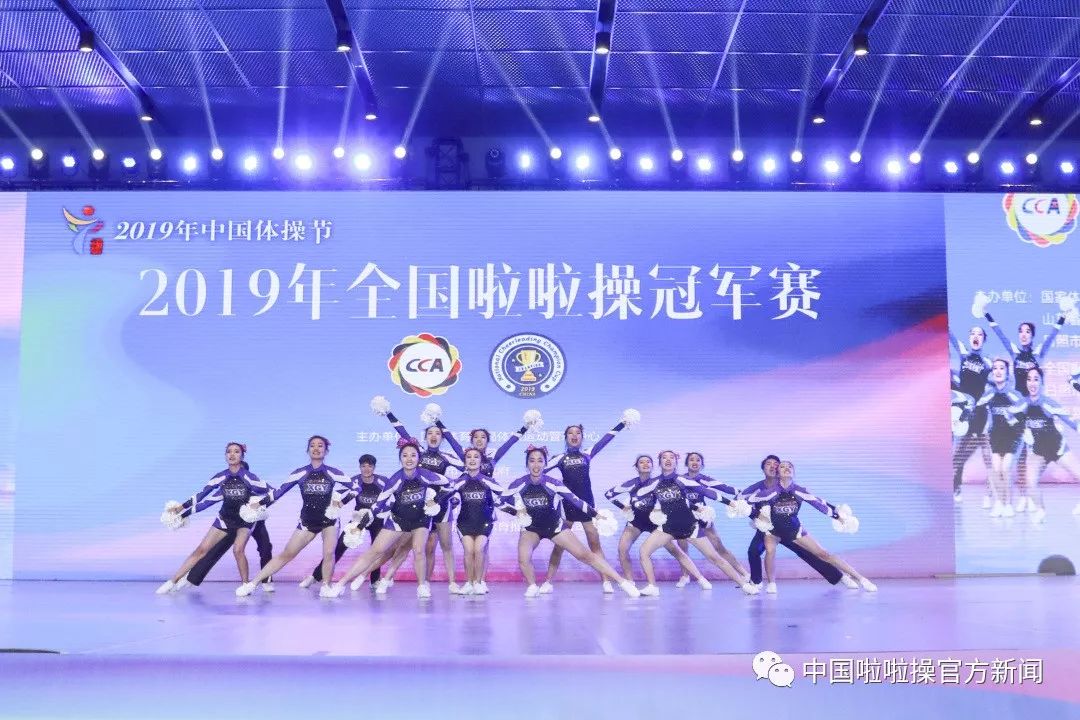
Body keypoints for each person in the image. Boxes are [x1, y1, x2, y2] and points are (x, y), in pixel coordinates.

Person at [324, 437, 455, 598]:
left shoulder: (426, 475)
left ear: (418, 458)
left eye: (413, 455)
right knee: (374, 551)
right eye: (405, 455)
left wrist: (435, 500)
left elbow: (450, 485)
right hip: (398, 520)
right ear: (400, 458)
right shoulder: (395, 479)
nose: (409, 459)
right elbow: (377, 505)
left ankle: (422, 586)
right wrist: (359, 526)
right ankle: (340, 584)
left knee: (419, 549)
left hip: (420, 520)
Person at [501, 446, 638, 598]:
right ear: (527, 464)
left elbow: (576, 500)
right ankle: (532, 586)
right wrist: (517, 512)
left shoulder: (553, 483)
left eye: (540, 461)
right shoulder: (518, 483)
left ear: (545, 464)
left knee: (585, 555)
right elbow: (499, 501)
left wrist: (595, 515)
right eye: (532, 461)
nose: (536, 464)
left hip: (555, 527)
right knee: (523, 557)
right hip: (531, 529)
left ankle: (622, 582)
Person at [234, 436, 355, 597]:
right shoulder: (300, 473)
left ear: (326, 451)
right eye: (312, 445)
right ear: (308, 450)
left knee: (328, 553)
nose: (316, 448)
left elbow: (356, 488)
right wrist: (260, 504)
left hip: (329, 520)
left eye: (320, 446)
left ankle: (326, 586)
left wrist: (341, 502)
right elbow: (278, 492)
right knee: (287, 554)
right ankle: (252, 584)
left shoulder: (333, 472)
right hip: (307, 521)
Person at [633, 451, 758, 596]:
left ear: (676, 462)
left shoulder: (682, 479)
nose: (668, 460)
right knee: (644, 551)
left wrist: (731, 503)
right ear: (660, 462)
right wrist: (637, 504)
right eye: (664, 457)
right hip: (668, 527)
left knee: (715, 558)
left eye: (671, 457)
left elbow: (706, 492)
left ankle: (744, 585)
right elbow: (638, 496)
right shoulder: (654, 482)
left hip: (689, 525)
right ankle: (652, 586)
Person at [540, 410, 637, 593]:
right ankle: (547, 582)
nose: (574, 435)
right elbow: (539, 472)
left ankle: (606, 581)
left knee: (595, 545)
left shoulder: (587, 454)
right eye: (570, 433)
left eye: (578, 433)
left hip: (587, 506)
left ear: (582, 437)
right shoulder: (560, 458)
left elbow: (605, 440)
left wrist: (623, 423)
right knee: (559, 546)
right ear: (565, 438)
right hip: (568, 506)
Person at [157, 443, 271, 594]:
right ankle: (172, 581)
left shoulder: (249, 477)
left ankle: (246, 585)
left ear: (242, 456)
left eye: (236, 452)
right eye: (229, 452)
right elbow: (203, 499)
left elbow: (272, 492)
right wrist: (181, 510)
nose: (232, 454)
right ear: (225, 455)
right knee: (201, 550)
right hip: (225, 519)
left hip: (245, 521)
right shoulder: (220, 477)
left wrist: (259, 505)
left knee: (238, 550)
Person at [375, 401, 463, 593]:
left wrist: (439, 422)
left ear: (442, 437)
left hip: (442, 506)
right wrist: (388, 413)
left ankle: (452, 583)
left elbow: (465, 459)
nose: (434, 436)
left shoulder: (447, 457)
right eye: (430, 433)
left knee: (446, 545)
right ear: (425, 437)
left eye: (438, 433)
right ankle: (418, 582)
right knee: (414, 546)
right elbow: (402, 432)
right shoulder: (417, 452)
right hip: (418, 506)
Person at [752, 460, 876, 592]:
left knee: (824, 554)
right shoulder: (770, 492)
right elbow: (748, 500)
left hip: (795, 531)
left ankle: (861, 579)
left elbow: (818, 504)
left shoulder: (800, 491)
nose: (787, 468)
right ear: (778, 473)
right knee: (770, 550)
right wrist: (756, 515)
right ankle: (771, 584)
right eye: (783, 466)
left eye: (790, 466)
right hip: (773, 531)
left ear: (794, 472)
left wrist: (837, 516)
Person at [744, 455, 849, 589]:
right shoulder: (757, 488)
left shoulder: (787, 484)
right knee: (753, 551)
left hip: (788, 528)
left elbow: (814, 499)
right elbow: (740, 502)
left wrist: (835, 511)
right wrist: (756, 517)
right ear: (763, 468)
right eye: (768, 464)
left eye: (776, 464)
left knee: (808, 552)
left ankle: (839, 577)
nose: (772, 466)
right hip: (768, 530)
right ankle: (756, 582)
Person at [605, 455, 710, 588]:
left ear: (653, 465)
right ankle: (630, 582)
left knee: (676, 551)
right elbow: (609, 494)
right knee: (622, 549)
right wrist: (623, 507)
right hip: (635, 522)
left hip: (655, 522)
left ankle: (701, 579)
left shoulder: (659, 482)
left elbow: (678, 500)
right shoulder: (631, 483)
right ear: (636, 467)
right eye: (641, 462)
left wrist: (696, 508)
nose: (645, 464)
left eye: (648, 462)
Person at [183, 460, 275, 591]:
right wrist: (183, 513)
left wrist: (259, 507)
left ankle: (266, 580)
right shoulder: (227, 488)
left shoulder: (255, 486)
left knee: (265, 547)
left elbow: (272, 495)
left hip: (256, 522)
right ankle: (192, 578)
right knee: (216, 549)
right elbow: (207, 501)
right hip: (234, 522)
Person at [299, 454, 388, 589]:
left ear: (374, 467)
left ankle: (375, 580)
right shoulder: (354, 481)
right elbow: (337, 494)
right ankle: (315, 577)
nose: (366, 469)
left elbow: (393, 495)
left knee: (377, 550)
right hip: (358, 519)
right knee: (338, 547)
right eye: (363, 466)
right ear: (359, 467)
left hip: (377, 519)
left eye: (369, 466)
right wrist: (337, 503)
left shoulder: (382, 481)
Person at [1008, 369, 1080, 524]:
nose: (1032, 383)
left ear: (1041, 383)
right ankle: (1040, 510)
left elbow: (1072, 422)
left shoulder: (1049, 403)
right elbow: (1009, 416)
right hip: (1038, 452)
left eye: (1036, 379)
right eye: (1029, 379)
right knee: (1030, 482)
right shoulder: (1022, 404)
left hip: (1058, 448)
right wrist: (1022, 430)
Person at [674, 451, 749, 586]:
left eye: (698, 460)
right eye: (691, 460)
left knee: (719, 547)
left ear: (702, 465)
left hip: (703, 516)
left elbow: (725, 488)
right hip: (684, 517)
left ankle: (744, 574)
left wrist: (744, 493)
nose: (695, 462)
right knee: (682, 547)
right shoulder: (679, 479)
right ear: (686, 464)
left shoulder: (705, 479)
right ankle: (685, 576)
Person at [447, 448, 506, 594]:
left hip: (484, 522)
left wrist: (518, 509)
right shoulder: (459, 482)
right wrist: (449, 501)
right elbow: (445, 496)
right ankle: (469, 582)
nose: (472, 459)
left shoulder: (488, 481)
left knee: (479, 550)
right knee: (469, 551)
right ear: (465, 461)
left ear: (481, 461)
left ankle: (478, 582)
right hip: (464, 523)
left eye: (476, 457)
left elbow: (506, 494)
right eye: (469, 457)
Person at [973, 359, 1024, 517]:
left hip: (1013, 436)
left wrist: (1013, 420)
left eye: (1002, 368)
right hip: (996, 436)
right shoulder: (989, 393)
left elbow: (1024, 415)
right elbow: (977, 408)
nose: (998, 371)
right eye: (995, 368)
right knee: (995, 470)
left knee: (1005, 468)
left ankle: (1008, 504)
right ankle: (999, 503)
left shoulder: (1014, 394)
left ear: (1007, 373)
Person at [950, 327, 992, 503]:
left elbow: (995, 383)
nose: (976, 336)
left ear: (984, 339)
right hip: (964, 410)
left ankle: (992, 493)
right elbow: (950, 334)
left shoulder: (988, 362)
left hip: (980, 411)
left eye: (979, 334)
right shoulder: (963, 353)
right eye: (973, 333)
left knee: (987, 453)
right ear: (969, 338)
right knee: (959, 452)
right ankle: (956, 487)